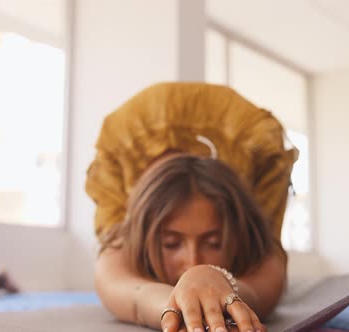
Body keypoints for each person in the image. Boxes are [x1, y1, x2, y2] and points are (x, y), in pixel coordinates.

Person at [87, 82, 298, 332]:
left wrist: (219, 282)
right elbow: (119, 284)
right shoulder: (118, 165)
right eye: (171, 243)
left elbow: (265, 282)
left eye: (213, 242)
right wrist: (181, 309)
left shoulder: (262, 154)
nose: (192, 261)